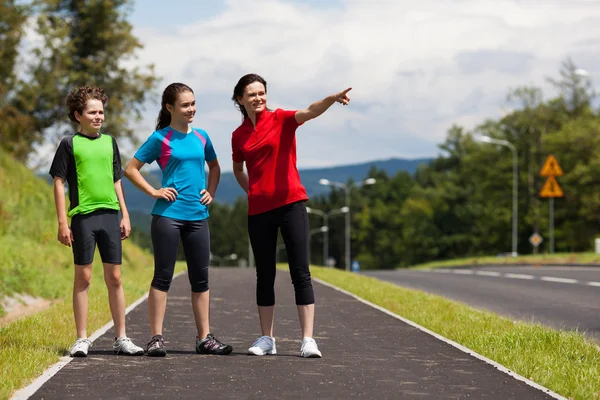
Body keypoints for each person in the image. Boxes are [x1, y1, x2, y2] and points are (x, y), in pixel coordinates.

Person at [230, 73, 351, 358]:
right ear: (240, 99)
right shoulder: (238, 135)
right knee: (265, 274)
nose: (258, 98)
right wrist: (253, 191)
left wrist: (332, 100)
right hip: (259, 211)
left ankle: (308, 339)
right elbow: (237, 169)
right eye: (252, 94)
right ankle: (266, 339)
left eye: (262, 93)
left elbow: (310, 111)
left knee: (300, 272)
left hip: (291, 205)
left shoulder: (282, 119)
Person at [124, 82, 232, 357]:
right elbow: (131, 169)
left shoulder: (202, 136)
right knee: (163, 276)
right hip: (168, 216)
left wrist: (212, 191)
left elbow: (215, 166)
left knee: (201, 279)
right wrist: (153, 191)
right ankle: (156, 338)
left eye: (193, 103)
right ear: (170, 108)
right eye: (185, 105)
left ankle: (204, 339)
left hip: (197, 216)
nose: (191, 109)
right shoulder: (160, 138)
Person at [49, 86, 144, 357]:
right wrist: (62, 223)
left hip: (110, 215)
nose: (98, 116)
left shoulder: (110, 142)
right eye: (92, 112)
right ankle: (81, 338)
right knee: (85, 277)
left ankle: (121, 338)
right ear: (78, 115)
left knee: (115, 277)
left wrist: (125, 214)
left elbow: (117, 179)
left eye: (101, 111)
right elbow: (58, 182)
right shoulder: (69, 143)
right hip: (82, 217)